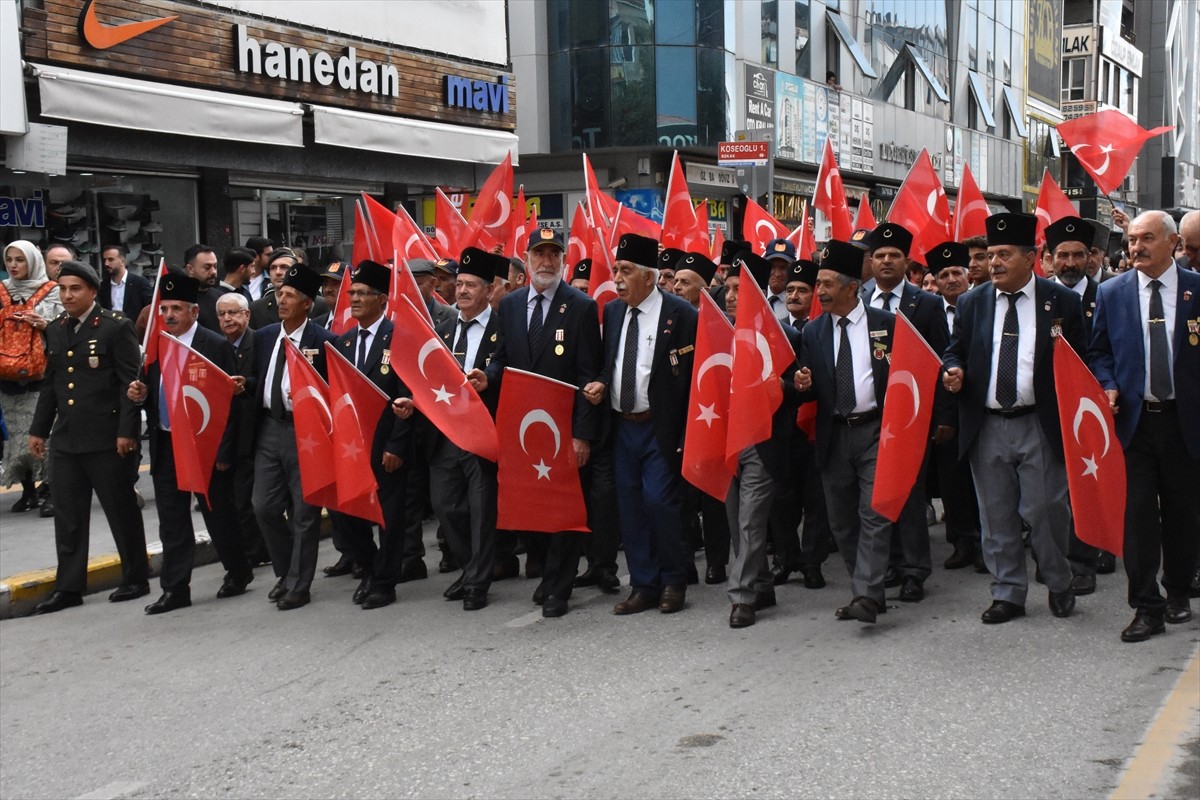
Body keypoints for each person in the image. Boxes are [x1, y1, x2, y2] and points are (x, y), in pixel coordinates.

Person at [942, 213, 1086, 625]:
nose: (994, 263)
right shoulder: (972, 302)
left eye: (1004, 254)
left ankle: (1059, 580)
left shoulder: (1062, 302)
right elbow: (956, 350)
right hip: (986, 425)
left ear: (1031, 257)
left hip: (1039, 422)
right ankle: (1008, 592)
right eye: (990, 256)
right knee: (996, 514)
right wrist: (952, 371)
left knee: (1045, 511)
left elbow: (1081, 362)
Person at [1089, 210, 1200, 642]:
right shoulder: (1113, 293)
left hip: (1184, 422)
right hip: (1134, 423)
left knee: (1182, 513)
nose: (1135, 247)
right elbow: (1099, 352)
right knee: (1136, 518)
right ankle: (1144, 605)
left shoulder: (1195, 290)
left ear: (1172, 243)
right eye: (1131, 239)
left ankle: (1177, 592)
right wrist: (1109, 385)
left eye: (1146, 239)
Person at [481, 230, 605, 617]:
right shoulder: (512, 306)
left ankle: (558, 588)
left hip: (563, 429)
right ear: (527, 257)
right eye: (540, 254)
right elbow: (502, 358)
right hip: (522, 428)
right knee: (531, 507)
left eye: (554, 254)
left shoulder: (581, 307)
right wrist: (489, 375)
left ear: (564, 259)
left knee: (563, 510)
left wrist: (582, 435)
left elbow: (589, 376)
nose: (547, 262)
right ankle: (547, 574)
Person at [583, 233, 697, 617]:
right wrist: (601, 382)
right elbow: (611, 361)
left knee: (660, 502)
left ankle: (674, 580)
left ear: (649, 277)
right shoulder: (613, 312)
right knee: (629, 506)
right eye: (616, 269)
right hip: (622, 425)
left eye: (626, 271)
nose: (617, 278)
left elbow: (694, 377)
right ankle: (644, 584)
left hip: (660, 426)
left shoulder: (681, 315)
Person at [127, 274, 253, 614]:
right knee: (172, 518)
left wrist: (224, 452)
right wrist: (140, 393)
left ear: (194, 312)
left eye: (176, 309)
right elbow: (148, 385)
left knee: (217, 513)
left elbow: (229, 403)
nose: (168, 315)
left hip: (204, 444)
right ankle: (175, 588)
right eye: (164, 309)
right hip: (167, 442)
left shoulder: (214, 345)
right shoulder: (157, 343)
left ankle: (238, 569)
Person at [28, 260, 148, 614]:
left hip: (106, 437)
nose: (67, 295)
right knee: (68, 515)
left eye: (75, 289)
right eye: (63, 289)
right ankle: (69, 587)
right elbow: (51, 385)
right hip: (66, 438)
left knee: (120, 509)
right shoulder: (56, 328)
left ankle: (136, 576)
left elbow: (129, 383)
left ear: (93, 291)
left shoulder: (115, 327)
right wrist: (39, 429)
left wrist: (127, 432)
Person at [794, 240, 895, 624]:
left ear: (852, 287)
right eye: (817, 283)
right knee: (842, 521)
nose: (818, 291)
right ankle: (865, 591)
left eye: (826, 283)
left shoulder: (886, 325)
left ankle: (868, 594)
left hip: (873, 431)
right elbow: (803, 378)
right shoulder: (814, 332)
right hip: (833, 434)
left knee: (874, 514)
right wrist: (800, 381)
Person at [399, 248, 502, 611]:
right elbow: (427, 378)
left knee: (480, 508)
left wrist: (488, 379)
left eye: (471, 285)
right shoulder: (440, 331)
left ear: (489, 290)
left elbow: (509, 369)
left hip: (480, 433)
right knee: (446, 506)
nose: (462, 291)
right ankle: (470, 567)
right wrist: (414, 401)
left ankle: (477, 581)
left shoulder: (502, 329)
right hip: (443, 434)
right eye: (458, 284)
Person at [861, 223, 952, 603]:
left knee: (911, 495)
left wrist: (943, 417)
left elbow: (943, 361)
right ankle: (891, 563)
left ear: (906, 262)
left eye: (893, 256)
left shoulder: (925, 304)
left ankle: (915, 570)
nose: (886, 261)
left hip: (912, 415)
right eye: (879, 256)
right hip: (868, 416)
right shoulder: (859, 298)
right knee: (878, 495)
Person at [250, 263, 338, 610]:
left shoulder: (325, 342)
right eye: (279, 295)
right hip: (270, 428)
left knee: (305, 512)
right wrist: (247, 386)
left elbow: (335, 391)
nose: (282, 301)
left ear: (307, 304)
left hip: (309, 433)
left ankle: (299, 585)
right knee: (264, 506)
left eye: (289, 296)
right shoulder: (265, 336)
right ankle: (286, 572)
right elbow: (260, 378)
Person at [330, 260, 414, 610]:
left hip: (386, 444)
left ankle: (384, 581)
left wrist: (396, 444)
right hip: (353, 446)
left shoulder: (399, 338)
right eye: (352, 293)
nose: (355, 299)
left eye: (363, 293)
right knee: (347, 514)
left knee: (390, 518)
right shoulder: (343, 343)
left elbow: (407, 395)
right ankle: (368, 566)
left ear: (382, 299)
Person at [722, 252, 800, 628]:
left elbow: (806, 388)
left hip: (763, 442)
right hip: (727, 441)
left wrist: (781, 385)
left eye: (740, 288)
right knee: (737, 523)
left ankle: (742, 598)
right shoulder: (717, 334)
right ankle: (763, 584)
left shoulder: (786, 335)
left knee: (752, 521)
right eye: (729, 287)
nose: (731, 295)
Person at [1045, 217, 1106, 594]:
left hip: (1093, 406)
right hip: (1048, 405)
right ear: (1049, 259)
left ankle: (1086, 560)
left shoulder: (1108, 296)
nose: (1069, 263)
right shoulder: (1038, 297)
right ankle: (1053, 556)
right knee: (1051, 491)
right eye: (1062, 255)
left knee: (1089, 481)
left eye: (1077, 255)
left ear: (1090, 257)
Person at [771, 257, 834, 590]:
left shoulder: (823, 329)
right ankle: (786, 558)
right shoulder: (777, 329)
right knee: (782, 497)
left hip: (816, 425)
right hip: (785, 426)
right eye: (790, 289)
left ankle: (812, 562)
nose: (794, 295)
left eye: (802, 290)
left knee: (816, 500)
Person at [927, 242, 983, 571]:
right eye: (944, 275)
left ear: (967, 276)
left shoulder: (983, 304)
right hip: (945, 410)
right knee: (952, 480)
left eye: (956, 273)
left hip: (980, 405)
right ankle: (962, 542)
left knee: (985, 477)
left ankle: (990, 540)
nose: (951, 280)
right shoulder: (928, 310)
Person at [1, 240, 63, 514]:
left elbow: (67, 332)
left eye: (20, 260)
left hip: (42, 376)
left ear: (33, 261)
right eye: (10, 260)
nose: (14, 265)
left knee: (44, 434)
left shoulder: (53, 293)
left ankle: (50, 489)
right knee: (16, 436)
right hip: (8, 377)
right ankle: (28, 491)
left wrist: (45, 325)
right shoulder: (1, 292)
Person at [214, 291, 270, 565]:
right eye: (222, 314)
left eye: (233, 313)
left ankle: (258, 552)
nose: (228, 319)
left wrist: (247, 384)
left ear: (247, 315)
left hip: (257, 431)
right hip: (228, 434)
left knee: (252, 500)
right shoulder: (216, 347)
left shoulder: (260, 343)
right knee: (236, 500)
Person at [249, 248, 328, 329]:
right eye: (273, 268)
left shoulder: (320, 305)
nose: (278, 272)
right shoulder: (256, 309)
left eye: (284, 267)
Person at [99, 244, 152, 322]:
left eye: (110, 259)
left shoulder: (139, 283)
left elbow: (150, 308)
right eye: (105, 260)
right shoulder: (103, 286)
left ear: (122, 262)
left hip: (133, 330)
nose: (106, 263)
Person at [182, 244, 222, 331]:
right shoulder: (179, 299)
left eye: (215, 266)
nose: (213, 272)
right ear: (190, 269)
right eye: (207, 267)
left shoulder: (220, 298)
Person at [763, 238, 795, 322]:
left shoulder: (796, 302)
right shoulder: (755, 297)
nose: (777, 274)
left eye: (783, 268)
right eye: (772, 267)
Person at [244, 236, 274, 301]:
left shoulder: (272, 279)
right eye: (268, 255)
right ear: (255, 256)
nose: (272, 258)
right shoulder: (239, 279)